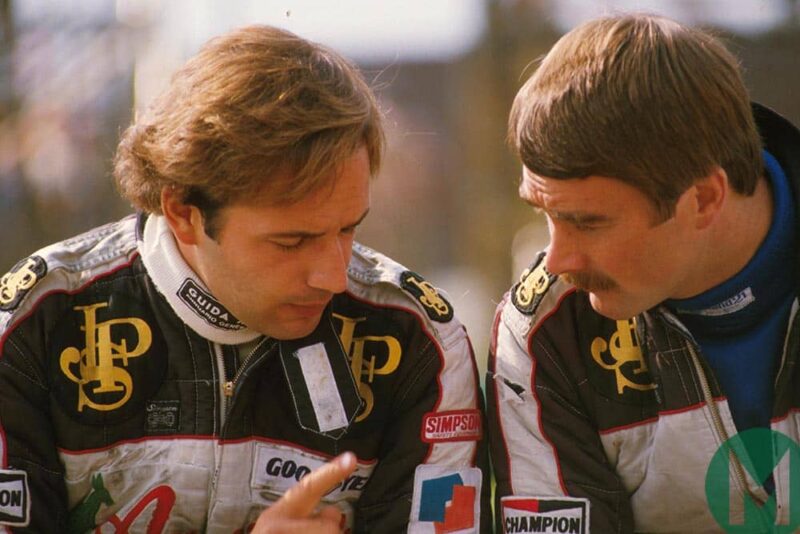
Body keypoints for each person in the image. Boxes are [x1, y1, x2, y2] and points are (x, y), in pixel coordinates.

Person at [0, 25, 489, 533]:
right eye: (291, 241)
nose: (334, 275)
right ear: (183, 211)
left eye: (348, 229)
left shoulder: (418, 342)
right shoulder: (36, 321)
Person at [487, 13, 800, 534]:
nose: (557, 260)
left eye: (587, 223)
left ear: (703, 198)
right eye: (544, 215)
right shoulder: (542, 331)